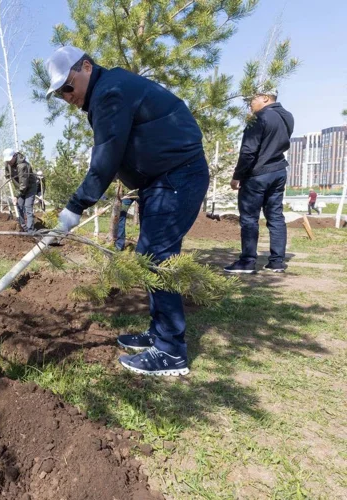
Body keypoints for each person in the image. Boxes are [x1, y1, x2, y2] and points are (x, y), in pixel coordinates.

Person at [46, 45, 209, 376]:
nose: (66, 96)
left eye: (67, 86)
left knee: (158, 258)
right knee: (149, 255)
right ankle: (159, 333)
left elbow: (105, 159)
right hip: (162, 181)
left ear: (87, 67)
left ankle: (171, 352)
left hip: (178, 175)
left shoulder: (111, 92)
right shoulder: (108, 90)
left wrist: (75, 207)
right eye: (60, 92)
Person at [224, 88, 294, 274]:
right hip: (278, 171)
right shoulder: (287, 116)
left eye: (251, 100)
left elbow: (248, 151)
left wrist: (237, 177)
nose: (249, 104)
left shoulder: (259, 118)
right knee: (276, 217)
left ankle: (247, 261)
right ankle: (277, 262)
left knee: (249, 219)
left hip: (257, 175)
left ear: (265, 98)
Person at [3, 148, 38, 233]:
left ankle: (30, 231)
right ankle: (23, 228)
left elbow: (24, 184)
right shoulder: (8, 162)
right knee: (18, 206)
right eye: (7, 161)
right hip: (21, 188)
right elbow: (7, 173)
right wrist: (7, 176)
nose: (9, 162)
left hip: (29, 187)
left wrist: (16, 196)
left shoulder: (22, 166)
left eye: (10, 160)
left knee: (28, 207)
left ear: (14, 156)